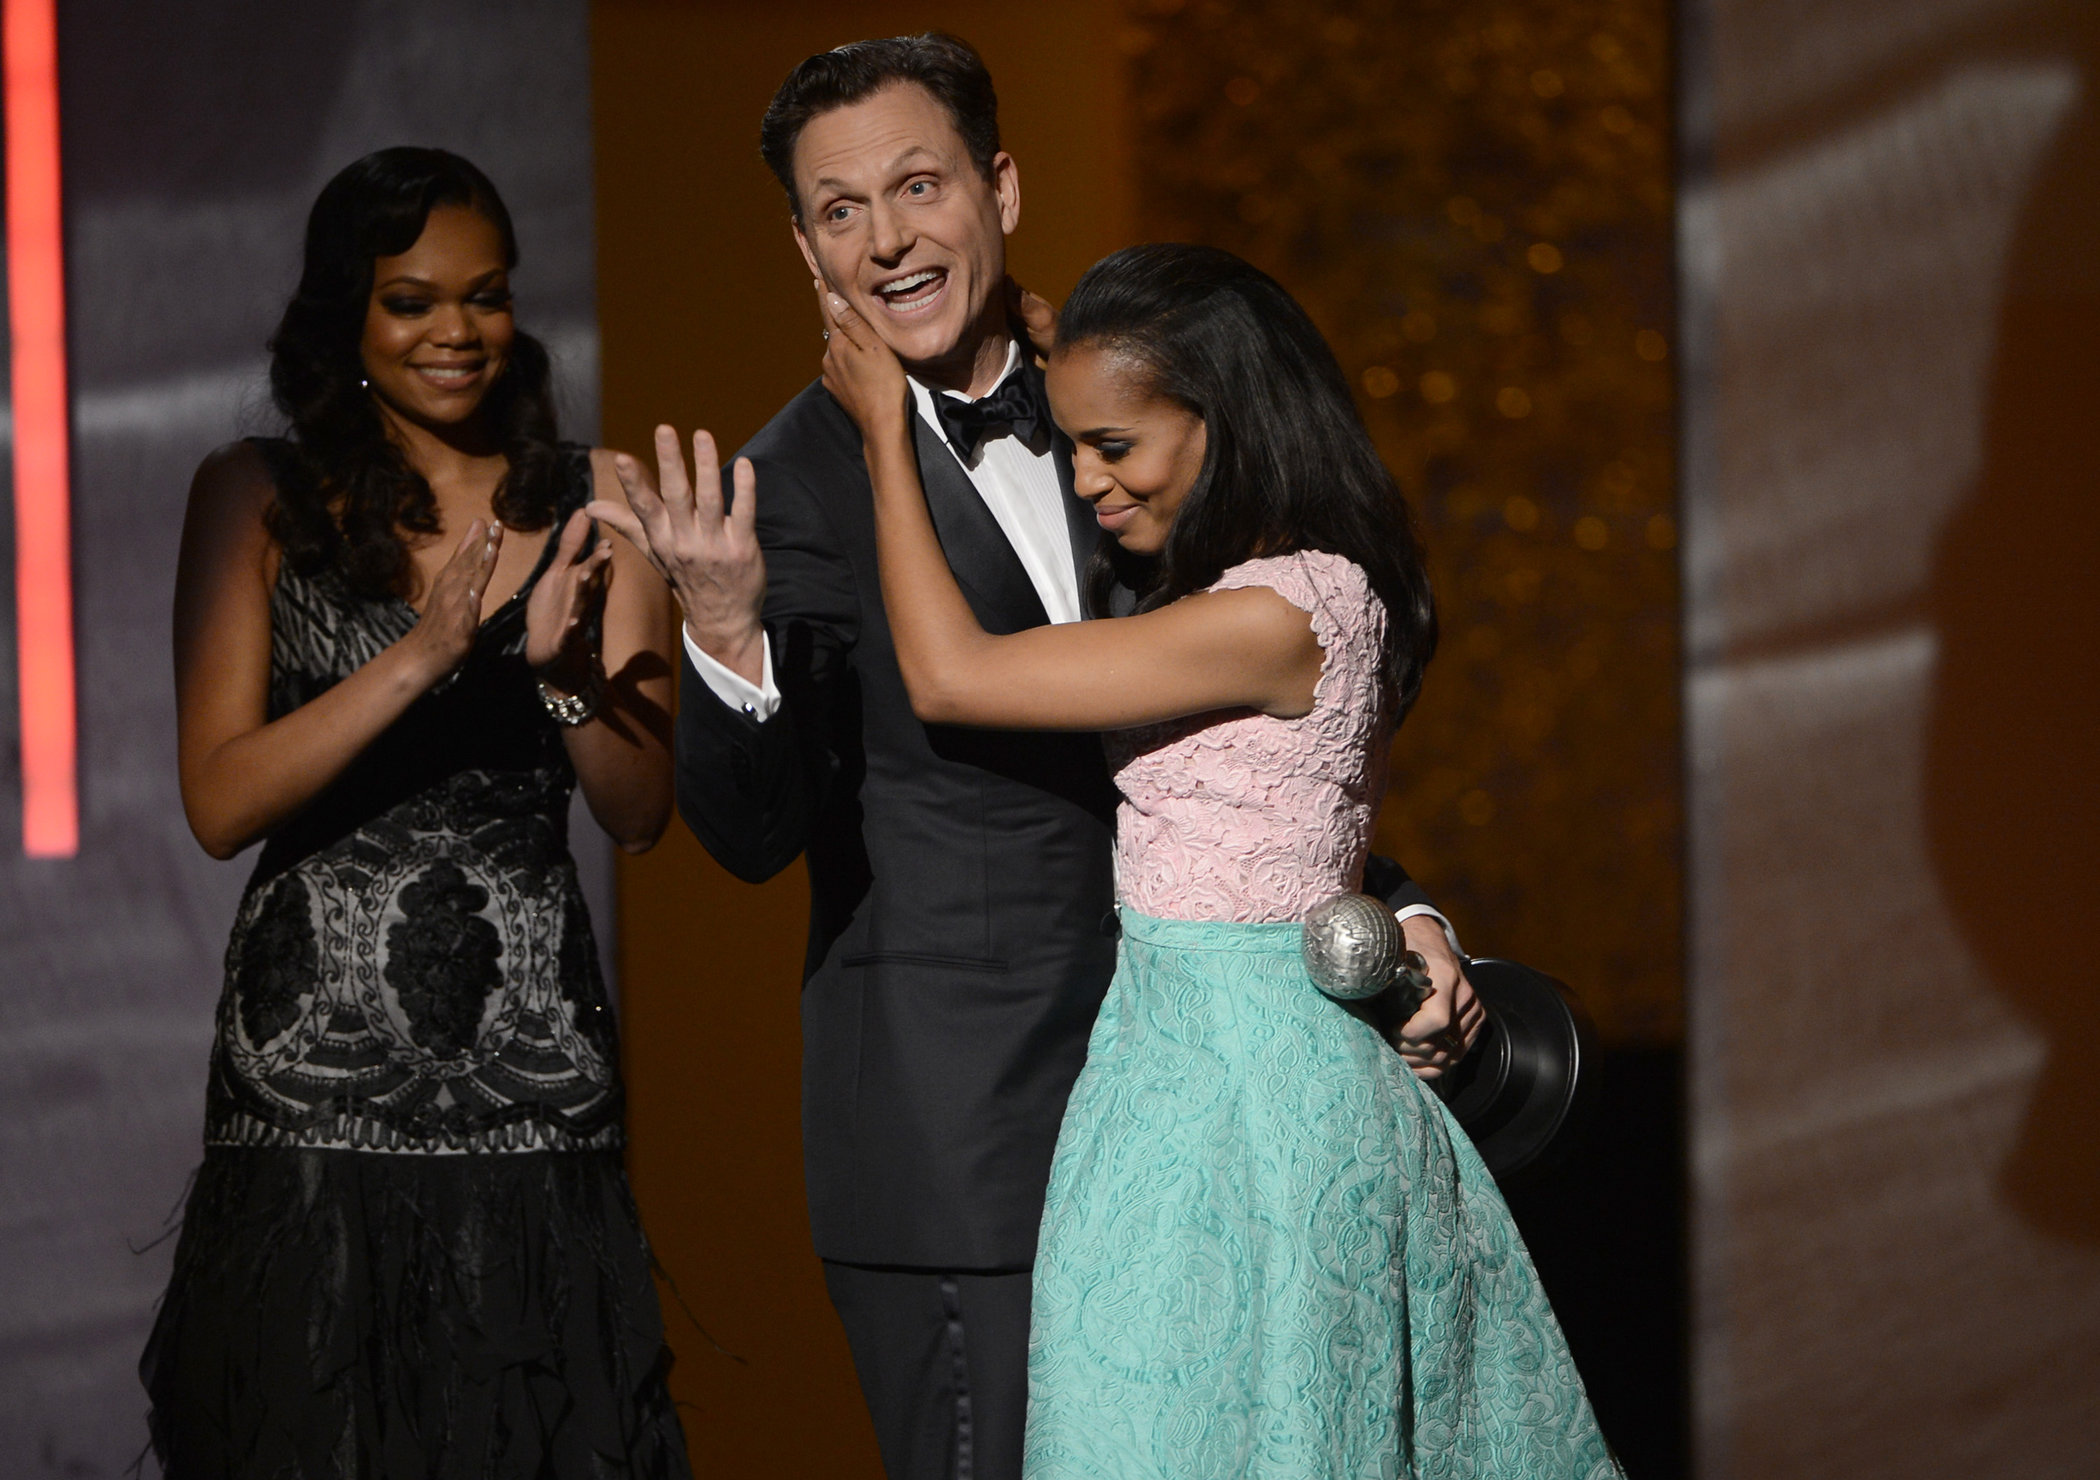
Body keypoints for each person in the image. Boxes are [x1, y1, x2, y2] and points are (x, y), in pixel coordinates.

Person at [592, 35, 1477, 1480]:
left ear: (999, 186)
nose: (886, 241)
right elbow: (751, 835)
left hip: (1206, 1121)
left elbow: (1251, 759)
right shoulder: (798, 486)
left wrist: (1406, 909)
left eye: (918, 184)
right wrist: (727, 633)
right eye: (838, 210)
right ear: (803, 243)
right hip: (967, 1157)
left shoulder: (1131, 425)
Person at [813, 242, 1620, 1478]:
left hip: (1250, 1098)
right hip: (1186, 1071)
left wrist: (883, 429)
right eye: (1071, 445)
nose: (1085, 479)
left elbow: (951, 674)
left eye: (1115, 447)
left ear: (1222, 421)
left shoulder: (1270, 612)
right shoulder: (1277, 589)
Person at [144, 147, 690, 1478]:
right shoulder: (255, 498)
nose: (458, 332)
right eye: (412, 300)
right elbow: (220, 800)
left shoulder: (598, 501)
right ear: (349, 313)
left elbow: (640, 813)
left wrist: (564, 684)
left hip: (531, 1084)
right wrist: (422, 656)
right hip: (310, 1093)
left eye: (487, 295)